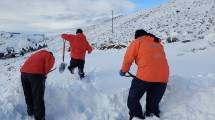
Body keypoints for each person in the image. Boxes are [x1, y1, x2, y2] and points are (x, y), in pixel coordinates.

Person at [120, 29, 169, 120]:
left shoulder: (137, 42)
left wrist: (123, 70)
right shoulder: (158, 43)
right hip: (163, 78)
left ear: (137, 36)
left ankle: (136, 116)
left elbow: (128, 58)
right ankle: (151, 115)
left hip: (145, 76)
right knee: (153, 105)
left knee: (133, 98)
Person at [20, 50, 55, 120]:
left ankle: (30, 111)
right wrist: (44, 74)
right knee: (38, 97)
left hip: (23, 73)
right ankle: (40, 118)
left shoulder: (36, 54)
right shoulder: (50, 56)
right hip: (35, 75)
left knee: (28, 93)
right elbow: (49, 66)